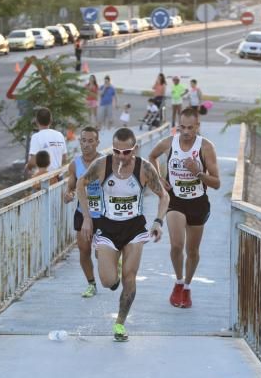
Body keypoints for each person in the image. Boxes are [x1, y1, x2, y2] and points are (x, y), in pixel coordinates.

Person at [77, 127, 169, 341]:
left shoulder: (144, 169)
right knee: (108, 282)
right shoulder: (102, 165)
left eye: (126, 152)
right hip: (108, 227)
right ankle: (112, 267)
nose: (121, 156)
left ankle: (120, 323)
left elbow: (163, 196)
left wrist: (158, 221)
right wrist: (88, 218)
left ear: (134, 149)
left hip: (134, 229)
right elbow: (81, 184)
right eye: (117, 151)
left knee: (130, 277)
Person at [149, 107, 220, 309]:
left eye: (190, 127)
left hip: (198, 202)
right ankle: (178, 282)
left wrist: (198, 173)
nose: (186, 131)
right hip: (175, 201)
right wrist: (159, 179)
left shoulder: (206, 147)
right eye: (182, 127)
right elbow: (151, 156)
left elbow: (216, 183)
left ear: (198, 126)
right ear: (178, 125)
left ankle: (187, 286)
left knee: (193, 250)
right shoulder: (170, 143)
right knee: (177, 245)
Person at [64, 126, 102, 298]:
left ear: (97, 142)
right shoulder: (75, 164)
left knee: (101, 253)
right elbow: (70, 187)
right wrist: (68, 194)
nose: (86, 144)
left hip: (103, 214)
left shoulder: (106, 162)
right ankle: (91, 284)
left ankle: (114, 260)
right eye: (83, 140)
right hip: (82, 212)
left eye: (90, 141)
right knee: (84, 250)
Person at [25, 107, 67, 178]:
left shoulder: (36, 137)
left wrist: (27, 167)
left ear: (36, 121)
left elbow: (33, 161)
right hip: (58, 177)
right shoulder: (59, 135)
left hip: (43, 178)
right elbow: (64, 158)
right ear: (51, 121)